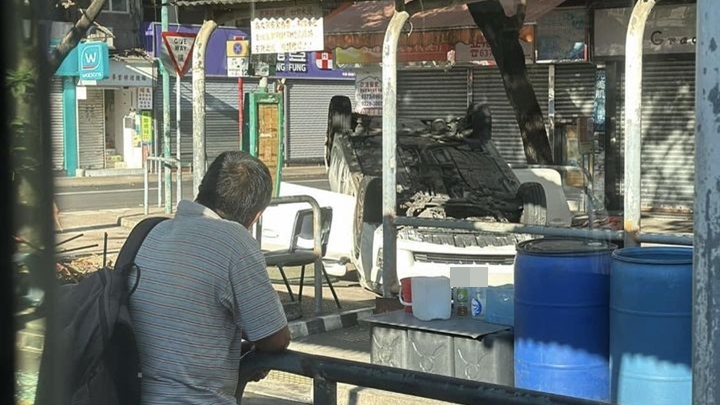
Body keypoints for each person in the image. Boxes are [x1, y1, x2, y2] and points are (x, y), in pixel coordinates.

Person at [128, 151, 290, 405]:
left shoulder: (150, 232)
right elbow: (274, 338)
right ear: (256, 215)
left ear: (204, 188)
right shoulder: (235, 243)